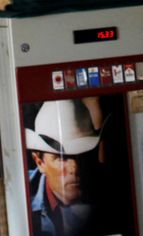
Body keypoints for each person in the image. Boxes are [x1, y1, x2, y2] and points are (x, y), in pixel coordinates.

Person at [25, 99, 102, 236]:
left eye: (82, 155)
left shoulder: (114, 190)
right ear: (39, 162)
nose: (75, 167)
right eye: (62, 158)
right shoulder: (23, 200)